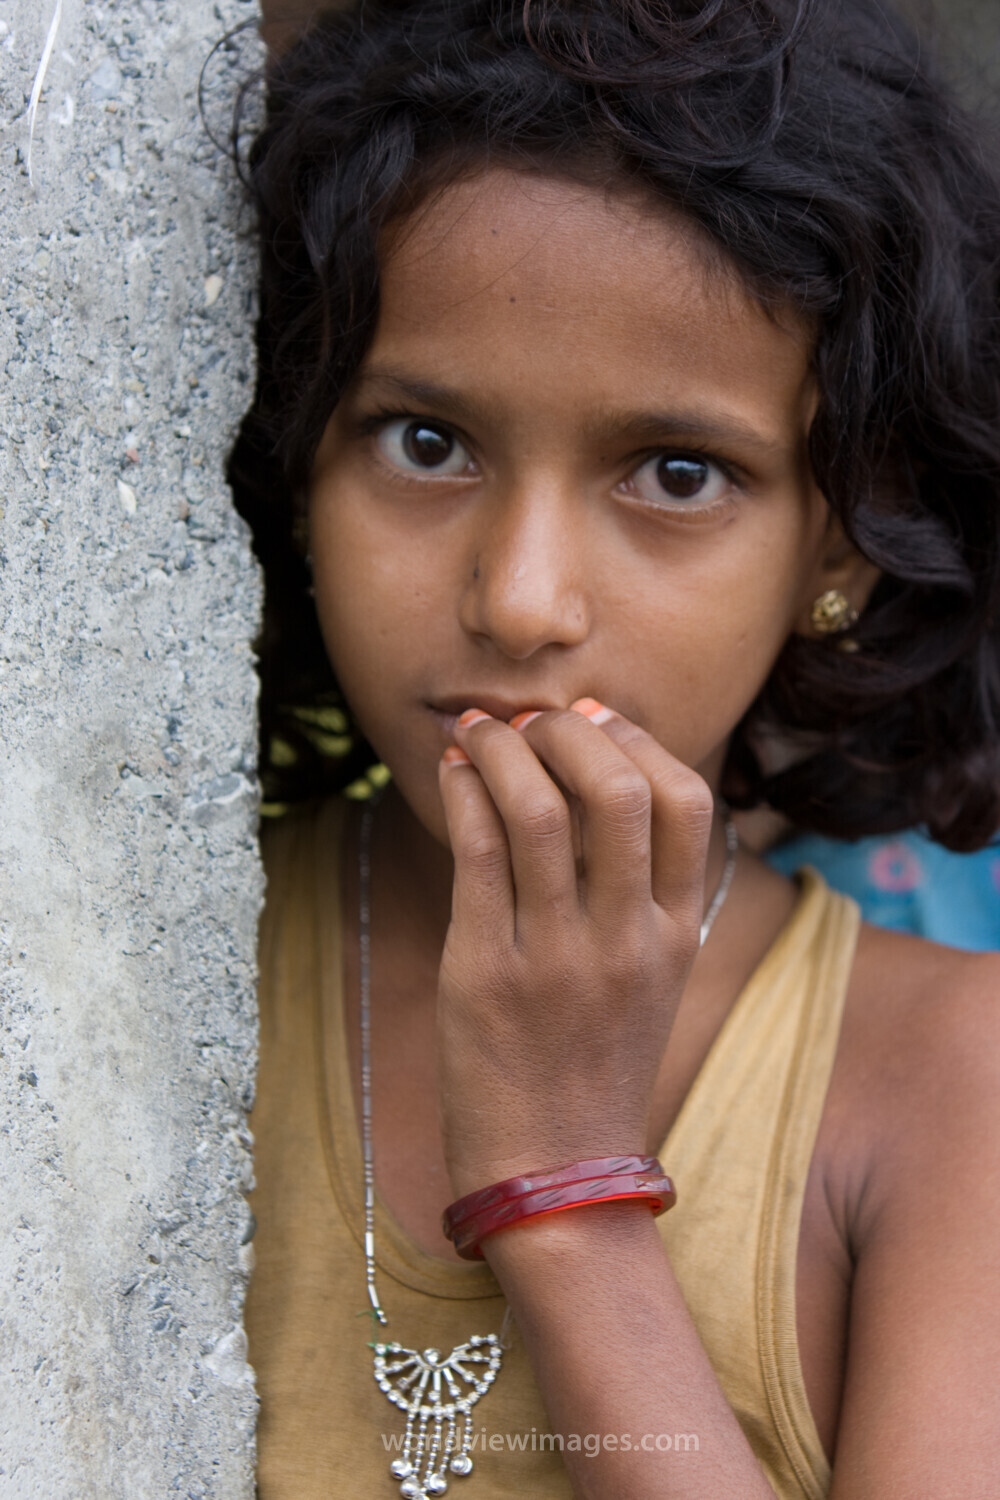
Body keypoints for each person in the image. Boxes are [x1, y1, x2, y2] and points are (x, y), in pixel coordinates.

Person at [229, 0, 1000, 1494]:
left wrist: (565, 1183)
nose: (521, 601)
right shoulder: (139, 965)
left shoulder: (949, 1083)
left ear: (837, 542)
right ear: (297, 458)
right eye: (425, 442)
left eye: (675, 471)